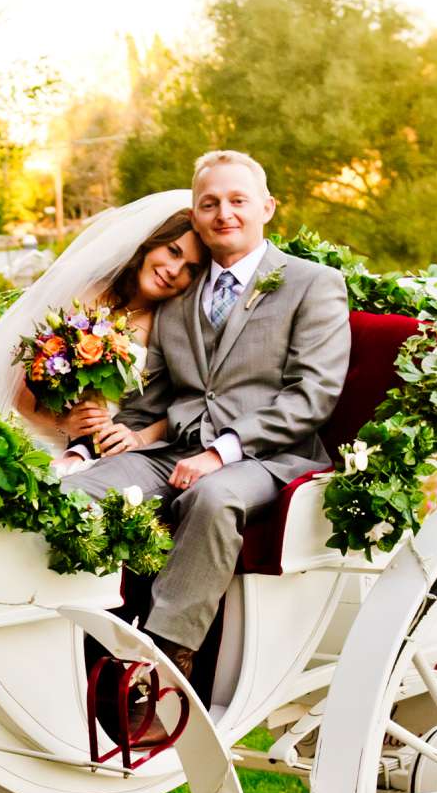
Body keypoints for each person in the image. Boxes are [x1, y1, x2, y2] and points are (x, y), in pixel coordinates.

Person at [70, 151, 350, 681]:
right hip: (173, 449)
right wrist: (90, 446)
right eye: (210, 203)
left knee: (212, 496)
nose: (225, 213)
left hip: (270, 457)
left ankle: (163, 661)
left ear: (267, 207)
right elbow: (149, 398)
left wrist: (222, 451)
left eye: (238, 200)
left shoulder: (312, 284)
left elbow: (312, 394)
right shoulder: (178, 292)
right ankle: (72, 632)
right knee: (79, 489)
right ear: (195, 216)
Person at [0, 192, 204, 469]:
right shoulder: (82, 296)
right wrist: (64, 423)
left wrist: (138, 438)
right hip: (42, 437)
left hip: (117, 455)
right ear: (151, 244)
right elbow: (18, 387)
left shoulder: (173, 323)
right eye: (173, 251)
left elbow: (186, 404)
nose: (174, 270)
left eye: (191, 269)